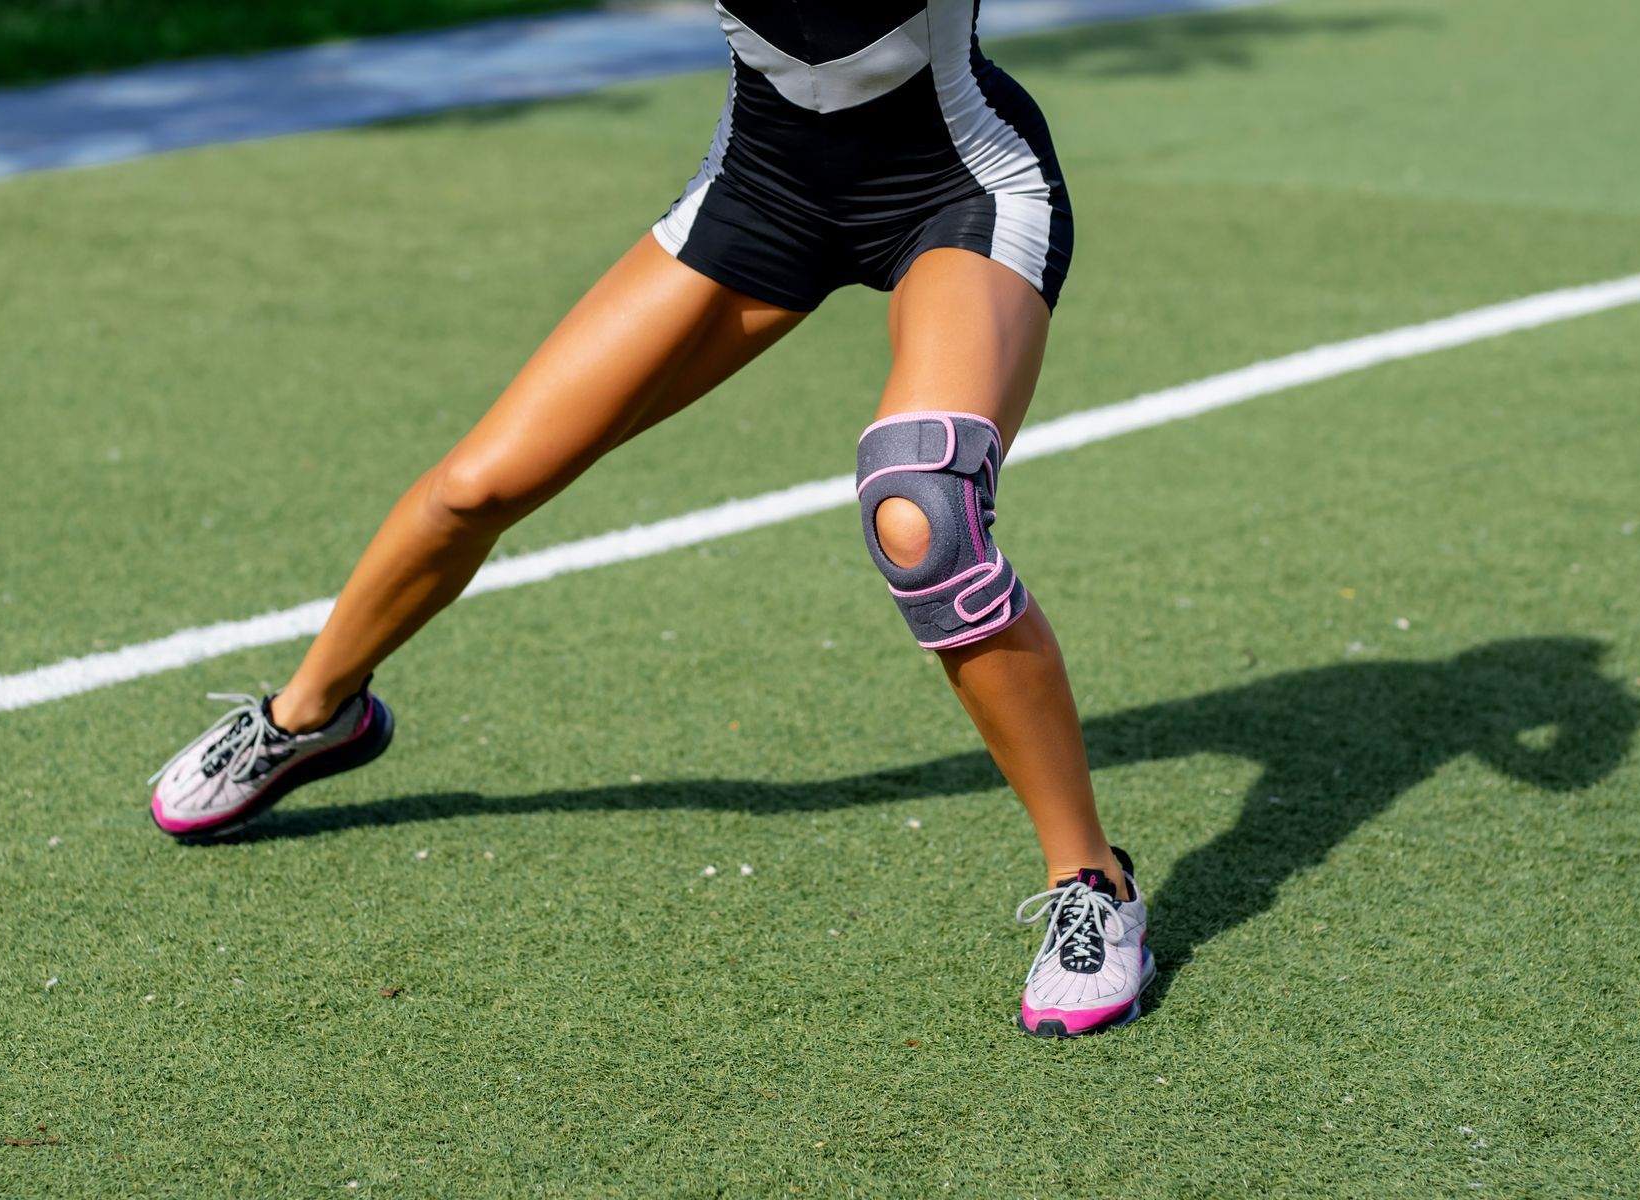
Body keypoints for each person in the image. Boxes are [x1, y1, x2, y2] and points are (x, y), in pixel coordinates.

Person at [148, 0, 1153, 1038]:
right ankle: (312, 716)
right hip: (764, 192)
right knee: (479, 485)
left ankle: (1094, 883)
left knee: (923, 511)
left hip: (961, 190)